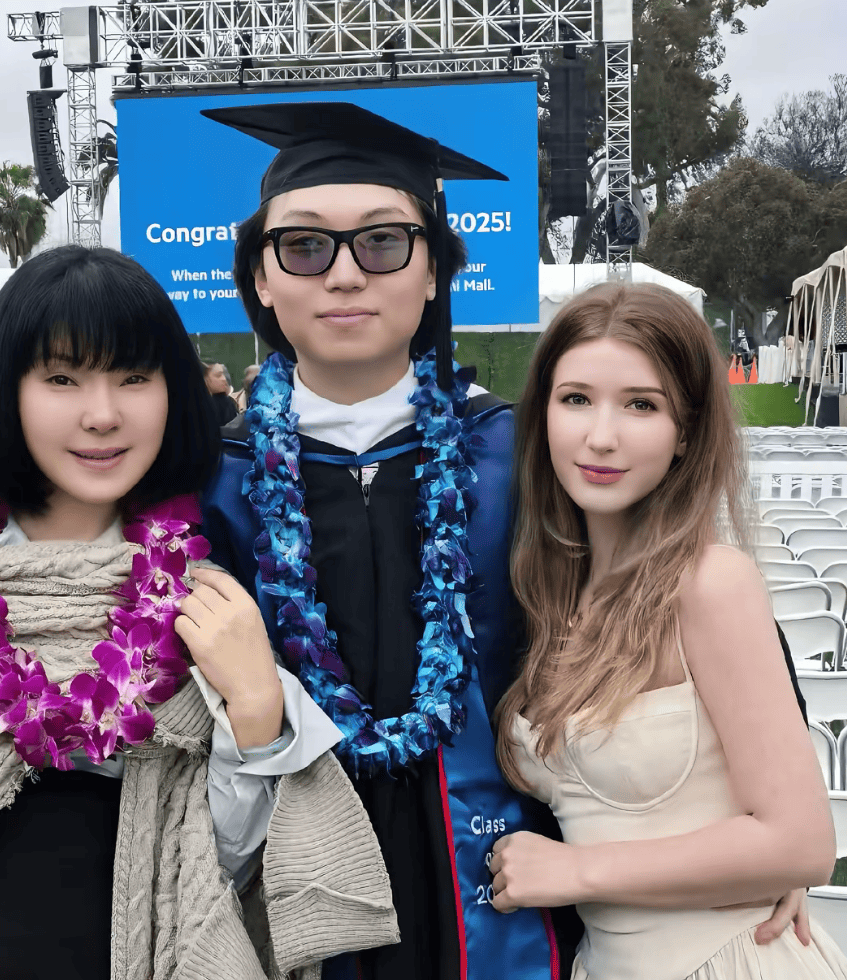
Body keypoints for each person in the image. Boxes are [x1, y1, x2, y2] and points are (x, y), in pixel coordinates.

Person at [199, 103, 811, 980]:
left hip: (507, 889)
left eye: (383, 242)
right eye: (303, 246)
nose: (345, 274)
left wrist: (765, 840)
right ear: (259, 278)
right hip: (300, 887)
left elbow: (678, 608)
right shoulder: (214, 483)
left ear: (435, 272)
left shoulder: (520, 455)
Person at [0, 245, 395, 980]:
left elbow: (221, 880)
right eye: (62, 378)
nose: (102, 415)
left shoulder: (206, 605)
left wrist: (256, 715)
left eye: (134, 378)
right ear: (6, 389)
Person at [494, 283, 847, 980]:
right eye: (576, 399)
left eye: (642, 405)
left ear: (685, 431)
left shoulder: (710, 582)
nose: (602, 436)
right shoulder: (550, 593)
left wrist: (575, 870)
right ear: (541, 414)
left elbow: (803, 844)